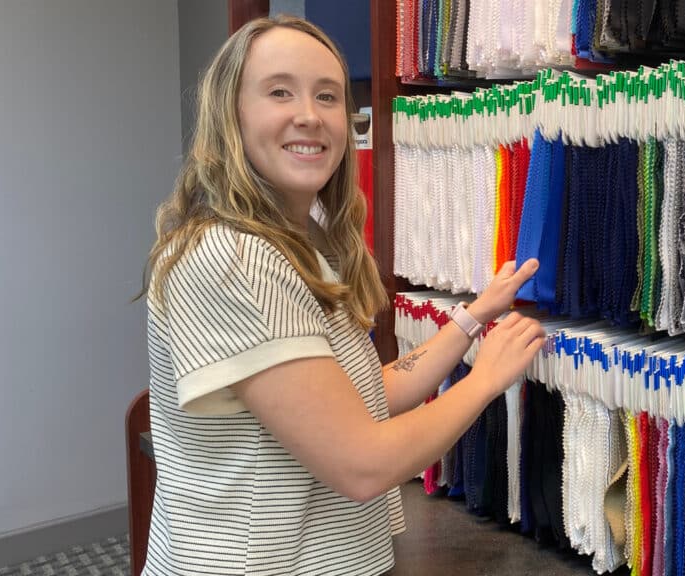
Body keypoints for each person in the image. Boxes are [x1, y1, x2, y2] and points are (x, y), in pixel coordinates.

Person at [137, 14, 546, 576]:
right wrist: (486, 381)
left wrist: (473, 319)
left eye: (327, 96)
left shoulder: (302, 244)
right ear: (230, 115)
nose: (309, 115)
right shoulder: (232, 258)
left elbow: (362, 396)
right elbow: (361, 463)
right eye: (280, 91)